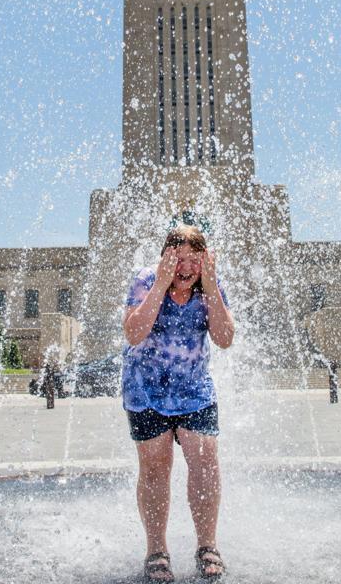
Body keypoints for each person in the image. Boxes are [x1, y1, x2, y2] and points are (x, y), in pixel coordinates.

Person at [123, 225, 234, 582]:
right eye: (178, 259)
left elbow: (225, 338)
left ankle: (207, 546)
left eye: (193, 260)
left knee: (204, 462)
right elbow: (133, 331)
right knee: (155, 469)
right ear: (165, 257)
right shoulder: (145, 279)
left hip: (194, 391)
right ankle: (156, 550)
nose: (185, 268)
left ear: (205, 260)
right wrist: (160, 283)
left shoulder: (209, 288)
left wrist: (212, 284)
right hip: (145, 390)